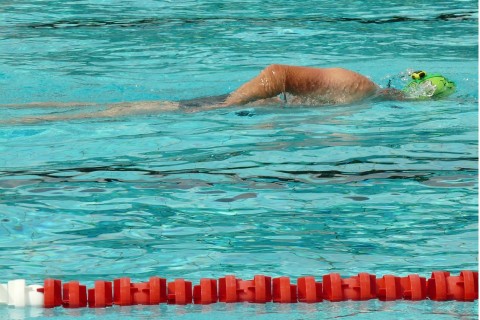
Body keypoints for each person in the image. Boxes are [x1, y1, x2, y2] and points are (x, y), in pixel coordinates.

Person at [3, 65, 455, 123]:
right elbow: (278, 73)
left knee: (135, 109)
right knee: (121, 113)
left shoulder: (363, 100)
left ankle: (24, 112)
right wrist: (230, 105)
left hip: (239, 102)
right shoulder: (358, 87)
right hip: (235, 100)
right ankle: (24, 119)